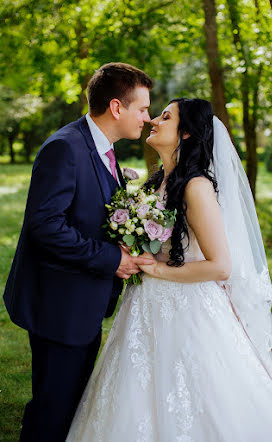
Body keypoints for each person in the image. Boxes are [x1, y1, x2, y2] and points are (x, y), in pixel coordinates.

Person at [66, 98, 272, 442]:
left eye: (165, 117)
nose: (153, 120)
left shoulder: (196, 187)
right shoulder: (159, 180)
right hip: (145, 308)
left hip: (188, 309)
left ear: (185, 134)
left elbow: (220, 266)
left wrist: (156, 272)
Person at [3, 62, 155, 442]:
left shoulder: (104, 150)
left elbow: (88, 212)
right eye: (143, 109)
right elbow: (45, 227)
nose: (148, 118)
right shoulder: (64, 148)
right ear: (117, 108)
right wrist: (113, 259)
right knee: (52, 412)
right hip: (59, 306)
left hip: (83, 304)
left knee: (72, 408)